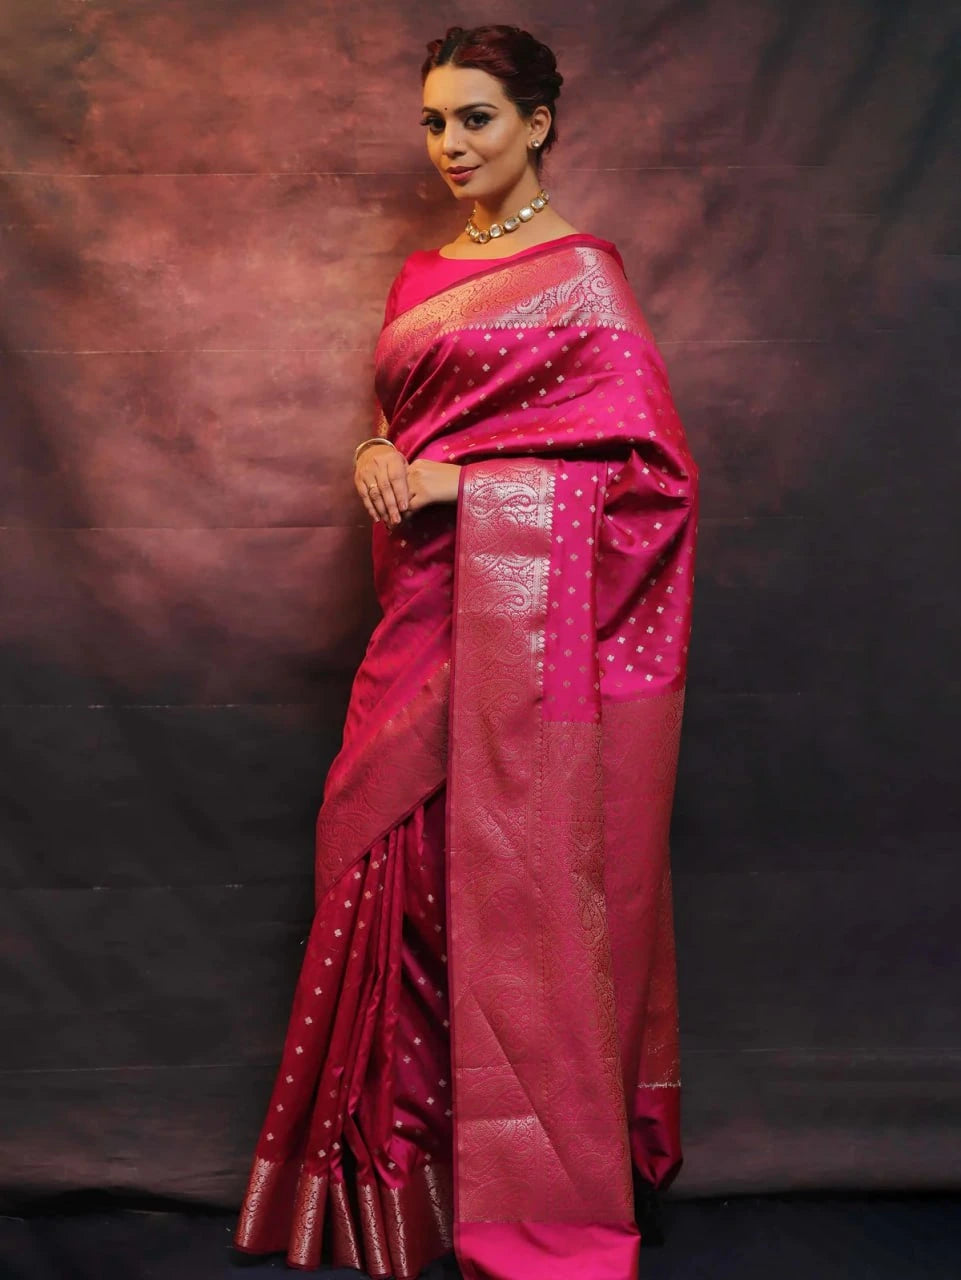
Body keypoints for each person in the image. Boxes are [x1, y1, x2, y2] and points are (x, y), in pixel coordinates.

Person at [233, 23, 698, 1280]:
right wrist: (379, 458)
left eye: (477, 118)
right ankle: (391, 1172)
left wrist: (468, 487)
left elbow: (649, 480)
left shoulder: (582, 280)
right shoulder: (421, 273)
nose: (450, 145)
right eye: (435, 121)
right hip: (424, 618)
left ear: (538, 122)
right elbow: (402, 422)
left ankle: (510, 1177)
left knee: (481, 882)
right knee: (386, 863)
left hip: (515, 622)